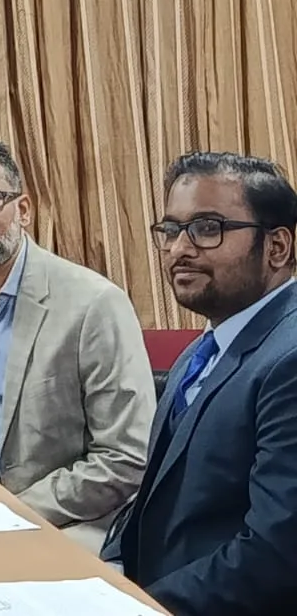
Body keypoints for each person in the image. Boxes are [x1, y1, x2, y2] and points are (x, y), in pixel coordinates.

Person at [0, 139, 154, 553]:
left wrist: (8, 511)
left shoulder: (93, 303)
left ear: (23, 210)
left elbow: (125, 456)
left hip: (70, 520)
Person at [105, 152, 297, 615]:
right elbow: (157, 498)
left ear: (277, 247)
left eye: (208, 228)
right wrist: (107, 568)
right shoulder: (203, 348)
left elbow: (275, 553)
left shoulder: (289, 359)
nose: (179, 249)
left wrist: (136, 606)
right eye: (171, 230)